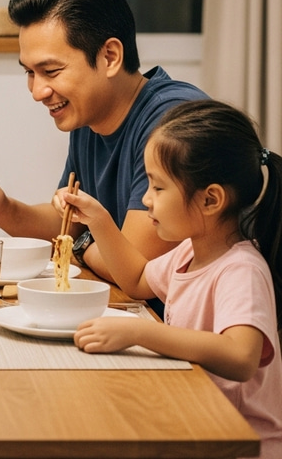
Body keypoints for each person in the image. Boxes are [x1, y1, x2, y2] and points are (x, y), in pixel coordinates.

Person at [0, 0, 209, 284]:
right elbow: (67, 223)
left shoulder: (173, 121)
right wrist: (4, 210)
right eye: (30, 73)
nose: (37, 92)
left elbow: (135, 266)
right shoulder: (88, 116)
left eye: (51, 71)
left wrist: (80, 242)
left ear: (110, 57)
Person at [68, 99, 282, 457]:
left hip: (242, 443)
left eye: (158, 187)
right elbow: (136, 279)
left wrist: (141, 332)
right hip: (197, 419)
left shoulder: (240, 270)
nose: (146, 200)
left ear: (211, 199)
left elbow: (242, 356)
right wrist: (100, 220)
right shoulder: (188, 252)